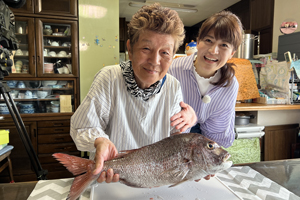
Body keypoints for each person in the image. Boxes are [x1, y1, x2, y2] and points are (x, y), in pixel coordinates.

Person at [70, 3, 197, 184]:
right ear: (130, 48)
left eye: (165, 52)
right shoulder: (109, 78)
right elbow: (82, 127)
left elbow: (174, 142)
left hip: (155, 181)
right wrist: (99, 141)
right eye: (146, 49)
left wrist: (187, 126)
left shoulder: (173, 87)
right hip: (109, 180)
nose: (155, 61)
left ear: (173, 55)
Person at [169, 10, 243, 148]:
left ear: (232, 53)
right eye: (209, 40)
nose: (213, 50)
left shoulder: (229, 85)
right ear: (198, 42)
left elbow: (219, 137)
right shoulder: (172, 70)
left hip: (206, 145)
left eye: (224, 45)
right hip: (172, 140)